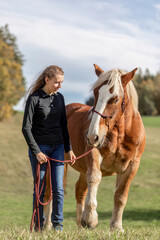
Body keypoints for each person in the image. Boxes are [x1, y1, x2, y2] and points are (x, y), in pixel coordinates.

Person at [22, 65, 76, 231]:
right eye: (56, 82)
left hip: (58, 147)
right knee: (40, 189)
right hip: (40, 148)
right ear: (47, 79)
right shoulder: (34, 99)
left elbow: (64, 126)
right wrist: (37, 151)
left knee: (58, 189)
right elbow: (26, 128)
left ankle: (57, 226)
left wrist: (69, 149)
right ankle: (38, 226)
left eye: (61, 82)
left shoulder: (60, 98)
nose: (60, 85)